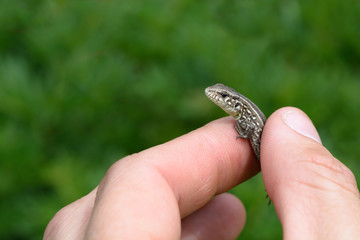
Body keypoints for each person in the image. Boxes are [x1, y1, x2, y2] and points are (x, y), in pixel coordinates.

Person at [44, 107, 360, 239]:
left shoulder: (246, 117)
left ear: (231, 103)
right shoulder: (244, 118)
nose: (215, 100)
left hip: (272, 149)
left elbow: (251, 131)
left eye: (220, 97)